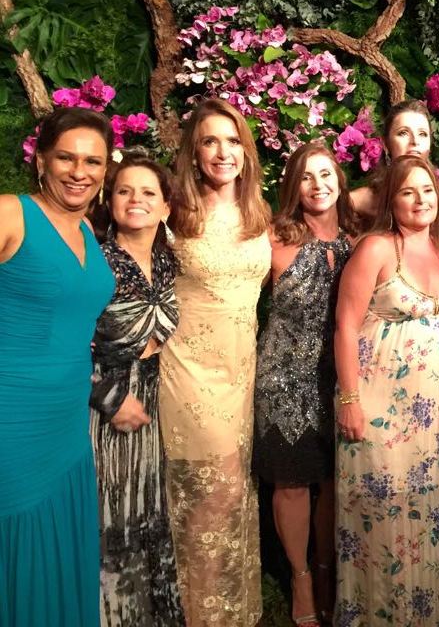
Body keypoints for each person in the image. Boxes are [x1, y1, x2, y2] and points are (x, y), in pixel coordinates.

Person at [0, 108, 116, 627]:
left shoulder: (87, 229)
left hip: (66, 420)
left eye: (93, 161)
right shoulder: (11, 213)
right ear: (41, 160)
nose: (79, 171)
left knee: (56, 547)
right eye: (66, 157)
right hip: (11, 418)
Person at [334, 154, 439, 627]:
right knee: (381, 516)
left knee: (422, 514)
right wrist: (350, 401)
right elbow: (346, 326)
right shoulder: (377, 248)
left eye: (427, 190)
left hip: (429, 421)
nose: (420, 199)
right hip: (377, 408)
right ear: (391, 200)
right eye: (408, 191)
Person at [159, 98, 271, 626]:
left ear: (246, 152)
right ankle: (197, 614)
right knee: (209, 496)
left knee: (232, 493)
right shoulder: (172, 213)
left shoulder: (259, 213)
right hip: (188, 372)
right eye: (209, 141)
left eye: (232, 141)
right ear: (193, 153)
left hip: (241, 373)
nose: (223, 152)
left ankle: (232, 610)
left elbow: (352, 199)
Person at [253, 143, 355, 626]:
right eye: (307, 177)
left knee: (334, 482)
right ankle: (299, 579)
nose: (318, 185)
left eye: (326, 174)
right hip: (283, 382)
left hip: (341, 380)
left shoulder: (359, 237)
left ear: (340, 180)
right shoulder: (272, 237)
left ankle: (327, 569)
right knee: (292, 483)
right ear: (293, 186)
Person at [89, 154, 185, 626]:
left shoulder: (167, 262)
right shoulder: (95, 263)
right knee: (108, 520)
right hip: (101, 411)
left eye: (148, 192)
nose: (136, 200)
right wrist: (108, 398)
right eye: (124, 190)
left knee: (146, 513)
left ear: (166, 207)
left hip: (150, 404)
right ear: (110, 201)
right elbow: (62, 343)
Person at [350, 99, 439, 222]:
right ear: (385, 143)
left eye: (422, 134)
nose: (415, 141)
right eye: (403, 133)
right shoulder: (359, 200)